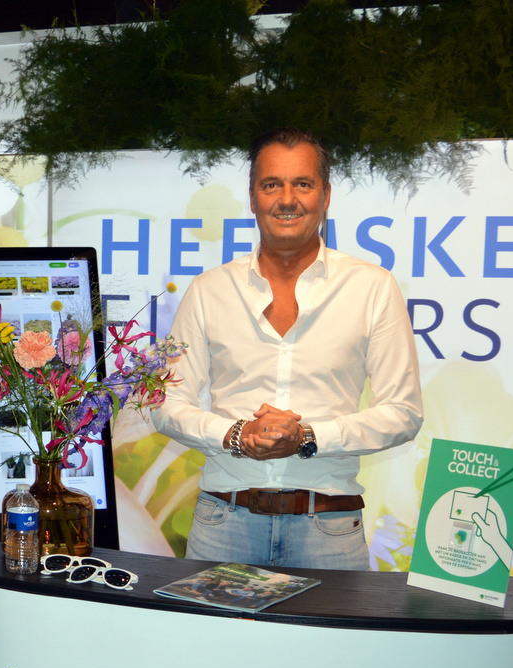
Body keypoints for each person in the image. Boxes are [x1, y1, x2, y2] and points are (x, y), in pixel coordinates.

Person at [151, 127, 424, 570]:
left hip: (329, 529)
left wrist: (309, 437)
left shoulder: (372, 288)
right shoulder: (209, 290)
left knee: (335, 625)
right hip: (223, 524)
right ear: (253, 197)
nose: (287, 199)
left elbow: (404, 412)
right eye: (271, 184)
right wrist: (235, 435)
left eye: (303, 184)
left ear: (325, 195)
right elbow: (164, 403)